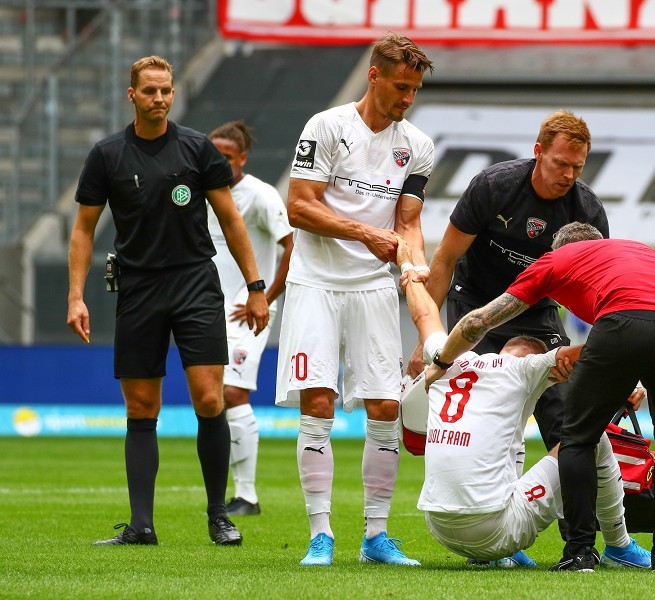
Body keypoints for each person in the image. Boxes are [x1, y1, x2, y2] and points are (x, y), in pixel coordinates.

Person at [67, 56, 269, 547]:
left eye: (166, 91)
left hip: (196, 284)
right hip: (137, 287)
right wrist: (76, 296)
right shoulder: (107, 154)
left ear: (173, 94)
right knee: (141, 407)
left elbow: (231, 221)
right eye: (150, 91)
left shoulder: (197, 149)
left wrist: (256, 287)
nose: (159, 98)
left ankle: (219, 515)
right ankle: (141, 526)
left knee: (208, 397)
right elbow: (84, 229)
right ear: (131, 95)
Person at [424, 222, 655, 572]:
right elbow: (651, 312)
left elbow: (478, 322)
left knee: (578, 437)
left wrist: (442, 361)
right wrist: (630, 378)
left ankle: (580, 552)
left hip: (623, 320)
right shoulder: (634, 250)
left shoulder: (555, 261)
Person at [274, 33, 434, 567]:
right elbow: (298, 206)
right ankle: (321, 535)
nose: (407, 98)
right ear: (374, 75)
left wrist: (414, 270)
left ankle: (375, 536)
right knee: (317, 402)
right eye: (400, 86)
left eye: (414, 89)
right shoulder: (326, 126)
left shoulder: (418, 145)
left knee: (386, 406)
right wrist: (365, 235)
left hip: (372, 288)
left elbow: (407, 222)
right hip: (315, 282)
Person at [407, 110, 608, 456]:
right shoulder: (493, 186)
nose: (569, 175)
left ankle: (571, 510)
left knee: (565, 419)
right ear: (538, 152)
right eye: (561, 163)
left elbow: (600, 293)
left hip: (537, 312)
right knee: (478, 417)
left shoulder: (587, 211)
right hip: (474, 305)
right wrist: (423, 344)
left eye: (578, 167)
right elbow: (445, 258)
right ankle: (481, 507)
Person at [207, 120, 294, 517]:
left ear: (242, 157)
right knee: (213, 398)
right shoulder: (200, 193)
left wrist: (264, 298)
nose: (219, 162)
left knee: (232, 393)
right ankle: (234, 493)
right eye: (214, 155)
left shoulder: (260, 195)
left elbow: (292, 247)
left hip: (248, 310)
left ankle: (247, 496)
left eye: (226, 156)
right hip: (206, 307)